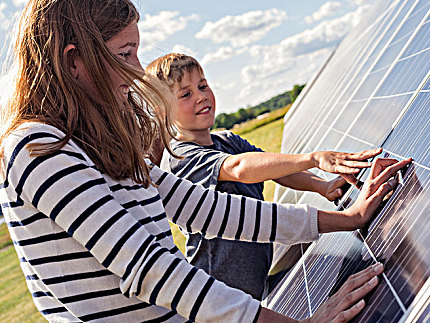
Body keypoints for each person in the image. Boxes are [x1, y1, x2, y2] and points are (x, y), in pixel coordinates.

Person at [0, 0, 411, 323]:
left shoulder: (96, 145)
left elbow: (212, 210)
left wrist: (345, 219)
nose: (139, 70)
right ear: (75, 63)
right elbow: (149, 269)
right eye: (125, 54)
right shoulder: (39, 148)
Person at [146, 53, 384, 300]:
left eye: (203, 85)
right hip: (222, 299)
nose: (201, 96)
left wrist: (322, 186)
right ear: (162, 111)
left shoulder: (226, 140)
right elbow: (239, 168)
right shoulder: (180, 159)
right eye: (186, 94)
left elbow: (276, 170)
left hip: (254, 287)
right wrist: (313, 158)